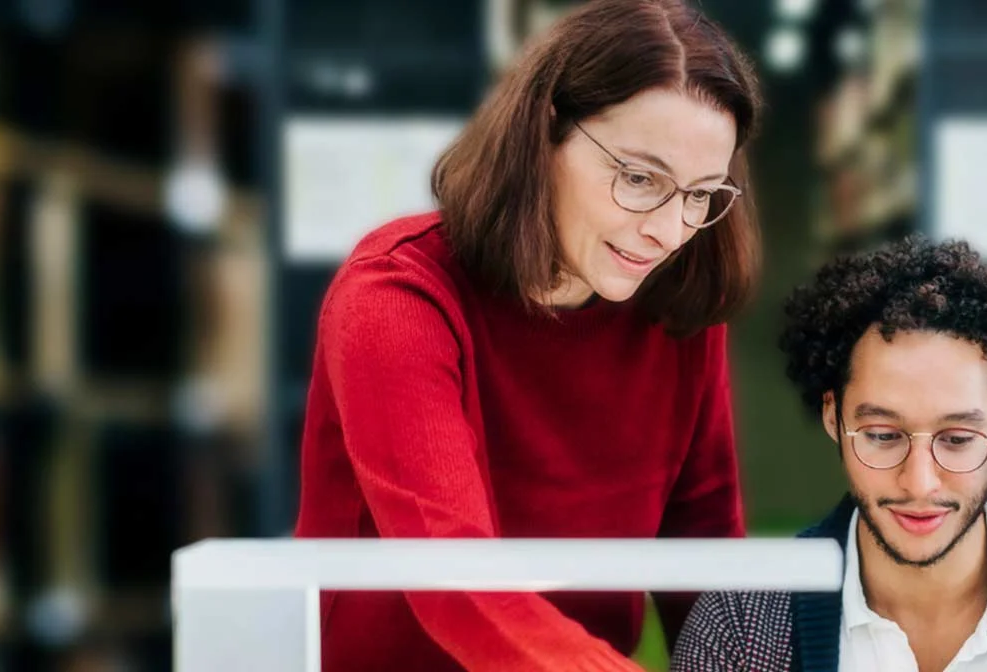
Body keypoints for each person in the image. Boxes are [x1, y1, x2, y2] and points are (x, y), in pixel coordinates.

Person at [290, 0, 765, 669]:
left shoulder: (675, 304)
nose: (667, 229)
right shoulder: (395, 295)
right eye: (638, 178)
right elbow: (454, 577)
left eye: (700, 195)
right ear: (546, 130)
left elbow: (705, 560)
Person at [671, 238, 987, 671]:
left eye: (957, 439)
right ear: (834, 418)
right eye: (882, 435)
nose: (919, 484)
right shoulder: (740, 624)